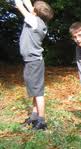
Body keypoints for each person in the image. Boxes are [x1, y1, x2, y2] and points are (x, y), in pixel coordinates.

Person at [16, 0, 54, 130]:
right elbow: (29, 5)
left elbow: (20, 4)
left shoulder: (33, 21)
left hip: (33, 62)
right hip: (33, 61)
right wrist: (32, 7)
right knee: (35, 90)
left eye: (33, 9)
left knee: (38, 92)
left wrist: (25, 5)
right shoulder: (39, 22)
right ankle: (34, 116)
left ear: (35, 12)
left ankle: (41, 121)